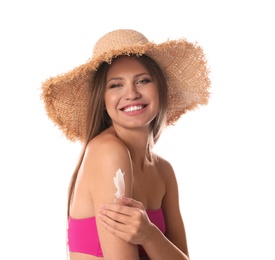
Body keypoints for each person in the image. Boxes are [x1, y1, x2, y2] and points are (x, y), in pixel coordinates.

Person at [41, 29, 210, 260]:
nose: (131, 93)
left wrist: (150, 235)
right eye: (116, 85)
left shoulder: (164, 171)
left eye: (142, 80)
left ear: (159, 88)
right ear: (103, 99)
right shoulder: (108, 152)